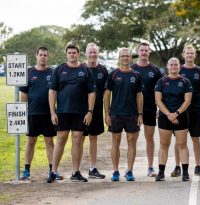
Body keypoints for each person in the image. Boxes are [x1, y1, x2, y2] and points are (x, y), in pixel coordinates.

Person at [47, 42, 96, 183]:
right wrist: (52, 112)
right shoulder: (59, 70)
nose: (72, 55)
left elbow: (92, 92)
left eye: (74, 52)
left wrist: (90, 112)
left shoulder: (85, 70)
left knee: (77, 139)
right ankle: (53, 172)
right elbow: (52, 91)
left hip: (80, 112)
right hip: (62, 111)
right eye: (69, 52)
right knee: (61, 139)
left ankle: (75, 172)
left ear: (78, 54)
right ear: (66, 54)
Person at [19, 47, 63, 180]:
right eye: (41, 55)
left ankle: (52, 170)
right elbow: (23, 94)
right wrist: (23, 111)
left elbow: (56, 92)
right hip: (33, 113)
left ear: (48, 57)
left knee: (49, 141)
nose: (43, 57)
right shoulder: (29, 72)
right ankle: (26, 170)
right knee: (31, 140)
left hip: (48, 113)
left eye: (45, 55)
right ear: (36, 56)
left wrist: (54, 112)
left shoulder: (53, 72)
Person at [104, 48, 143, 182]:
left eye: (127, 56)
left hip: (132, 114)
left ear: (130, 58)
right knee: (116, 141)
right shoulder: (113, 74)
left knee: (132, 141)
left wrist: (140, 114)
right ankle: (115, 171)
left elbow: (139, 95)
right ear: (119, 58)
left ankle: (130, 171)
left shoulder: (136, 75)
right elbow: (107, 94)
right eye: (123, 56)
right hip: (116, 113)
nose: (125, 58)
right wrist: (107, 114)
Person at [170, 45, 200, 177]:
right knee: (179, 140)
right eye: (187, 53)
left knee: (196, 138)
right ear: (183, 55)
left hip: (196, 109)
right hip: (180, 110)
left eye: (192, 53)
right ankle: (177, 166)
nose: (190, 55)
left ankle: (198, 166)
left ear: (195, 55)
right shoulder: (178, 69)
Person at [154, 58, 192, 181]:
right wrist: (169, 114)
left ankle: (185, 173)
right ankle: (161, 173)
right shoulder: (161, 81)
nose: (174, 67)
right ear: (167, 66)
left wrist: (176, 113)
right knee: (164, 145)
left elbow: (187, 101)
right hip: (165, 117)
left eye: (176, 64)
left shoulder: (185, 81)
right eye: (171, 65)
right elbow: (158, 100)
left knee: (182, 144)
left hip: (181, 116)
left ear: (179, 67)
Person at [131, 42, 163, 177]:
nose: (144, 52)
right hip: (133, 110)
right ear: (138, 52)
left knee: (149, 137)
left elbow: (160, 91)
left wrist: (159, 108)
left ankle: (150, 167)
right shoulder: (131, 68)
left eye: (146, 50)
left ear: (149, 52)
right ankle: (130, 168)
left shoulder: (155, 70)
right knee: (132, 138)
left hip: (150, 108)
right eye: (142, 50)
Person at [84, 43, 108, 179]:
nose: (92, 55)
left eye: (95, 52)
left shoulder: (103, 70)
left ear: (98, 53)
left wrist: (106, 113)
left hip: (97, 110)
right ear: (86, 54)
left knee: (93, 138)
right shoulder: (81, 68)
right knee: (78, 139)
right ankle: (76, 170)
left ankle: (92, 168)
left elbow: (106, 94)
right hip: (81, 110)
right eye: (90, 52)